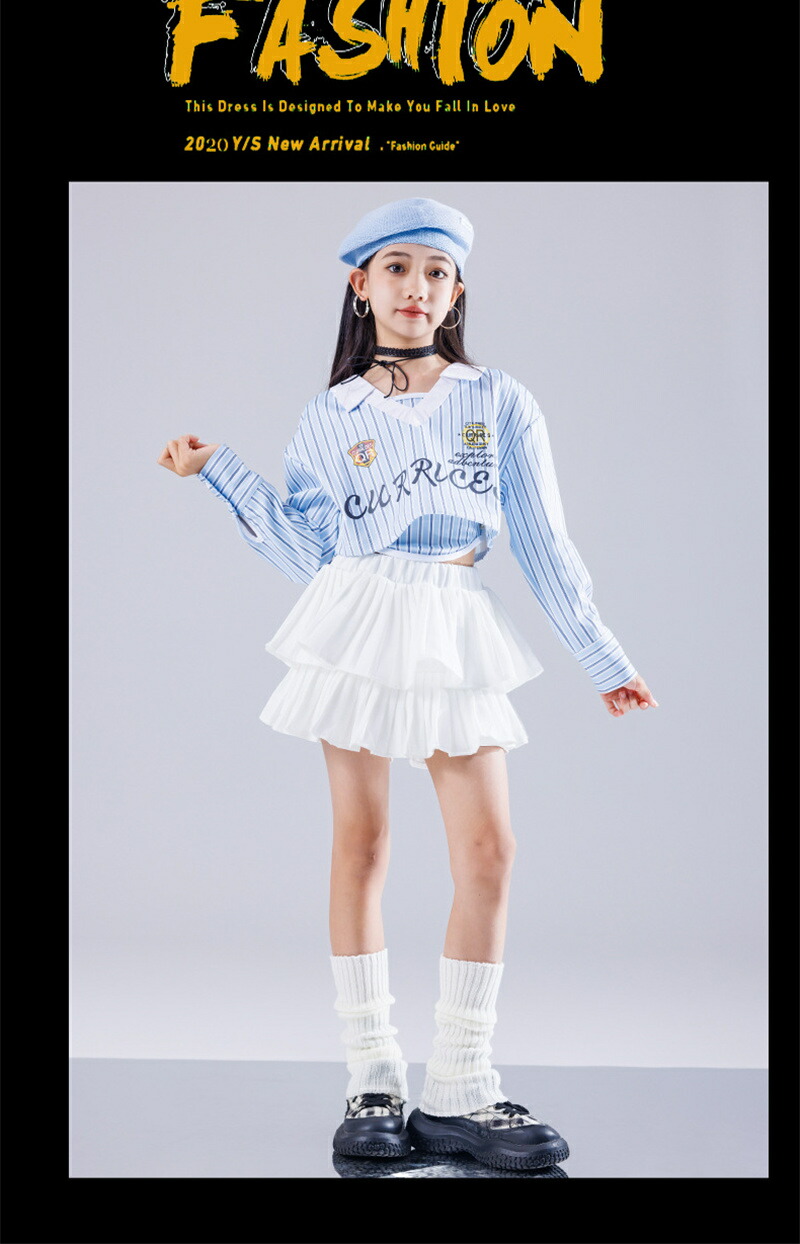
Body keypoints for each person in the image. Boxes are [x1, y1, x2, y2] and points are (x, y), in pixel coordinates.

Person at [158, 197, 658, 1173]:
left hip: (453, 617)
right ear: (361, 285)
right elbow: (310, 552)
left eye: (436, 273)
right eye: (397, 268)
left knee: (489, 847)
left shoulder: (498, 400)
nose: (416, 288)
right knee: (363, 842)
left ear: (456, 292)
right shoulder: (330, 414)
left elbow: (543, 540)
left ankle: (461, 1082)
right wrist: (222, 473)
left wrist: (602, 655)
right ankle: (372, 1079)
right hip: (359, 613)